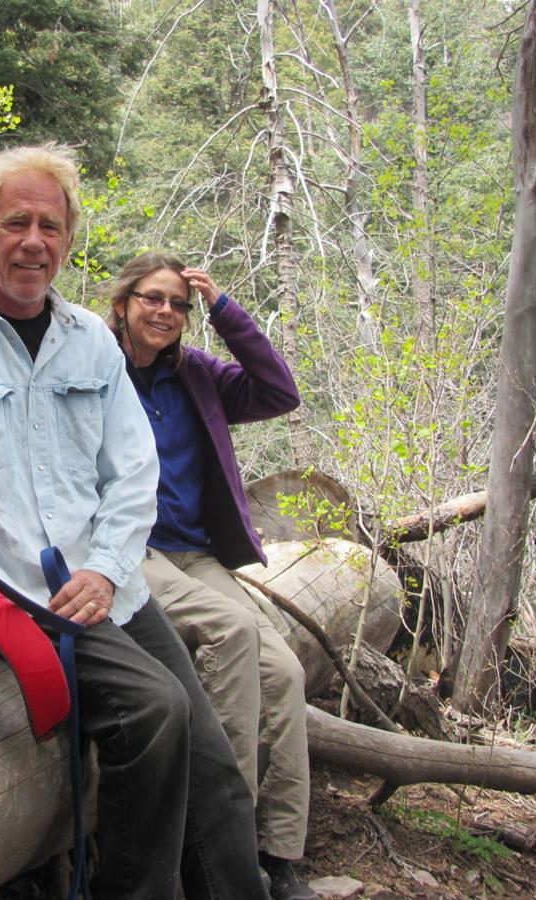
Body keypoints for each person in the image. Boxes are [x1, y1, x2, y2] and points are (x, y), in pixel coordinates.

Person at [0, 145, 268, 900]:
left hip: (108, 584)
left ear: (69, 239)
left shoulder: (89, 339)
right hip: (8, 593)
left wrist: (105, 566)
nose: (35, 241)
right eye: (17, 222)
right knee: (154, 711)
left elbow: (134, 470)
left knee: (212, 756)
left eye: (51, 226)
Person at [107, 252, 317, 900]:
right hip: (127, 549)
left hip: (195, 555)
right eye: (152, 298)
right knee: (232, 631)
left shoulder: (196, 373)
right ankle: (222, 850)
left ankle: (277, 854)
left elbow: (280, 391)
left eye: (178, 303)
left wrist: (225, 310)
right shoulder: (96, 369)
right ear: (123, 304)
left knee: (285, 671)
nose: (165, 312)